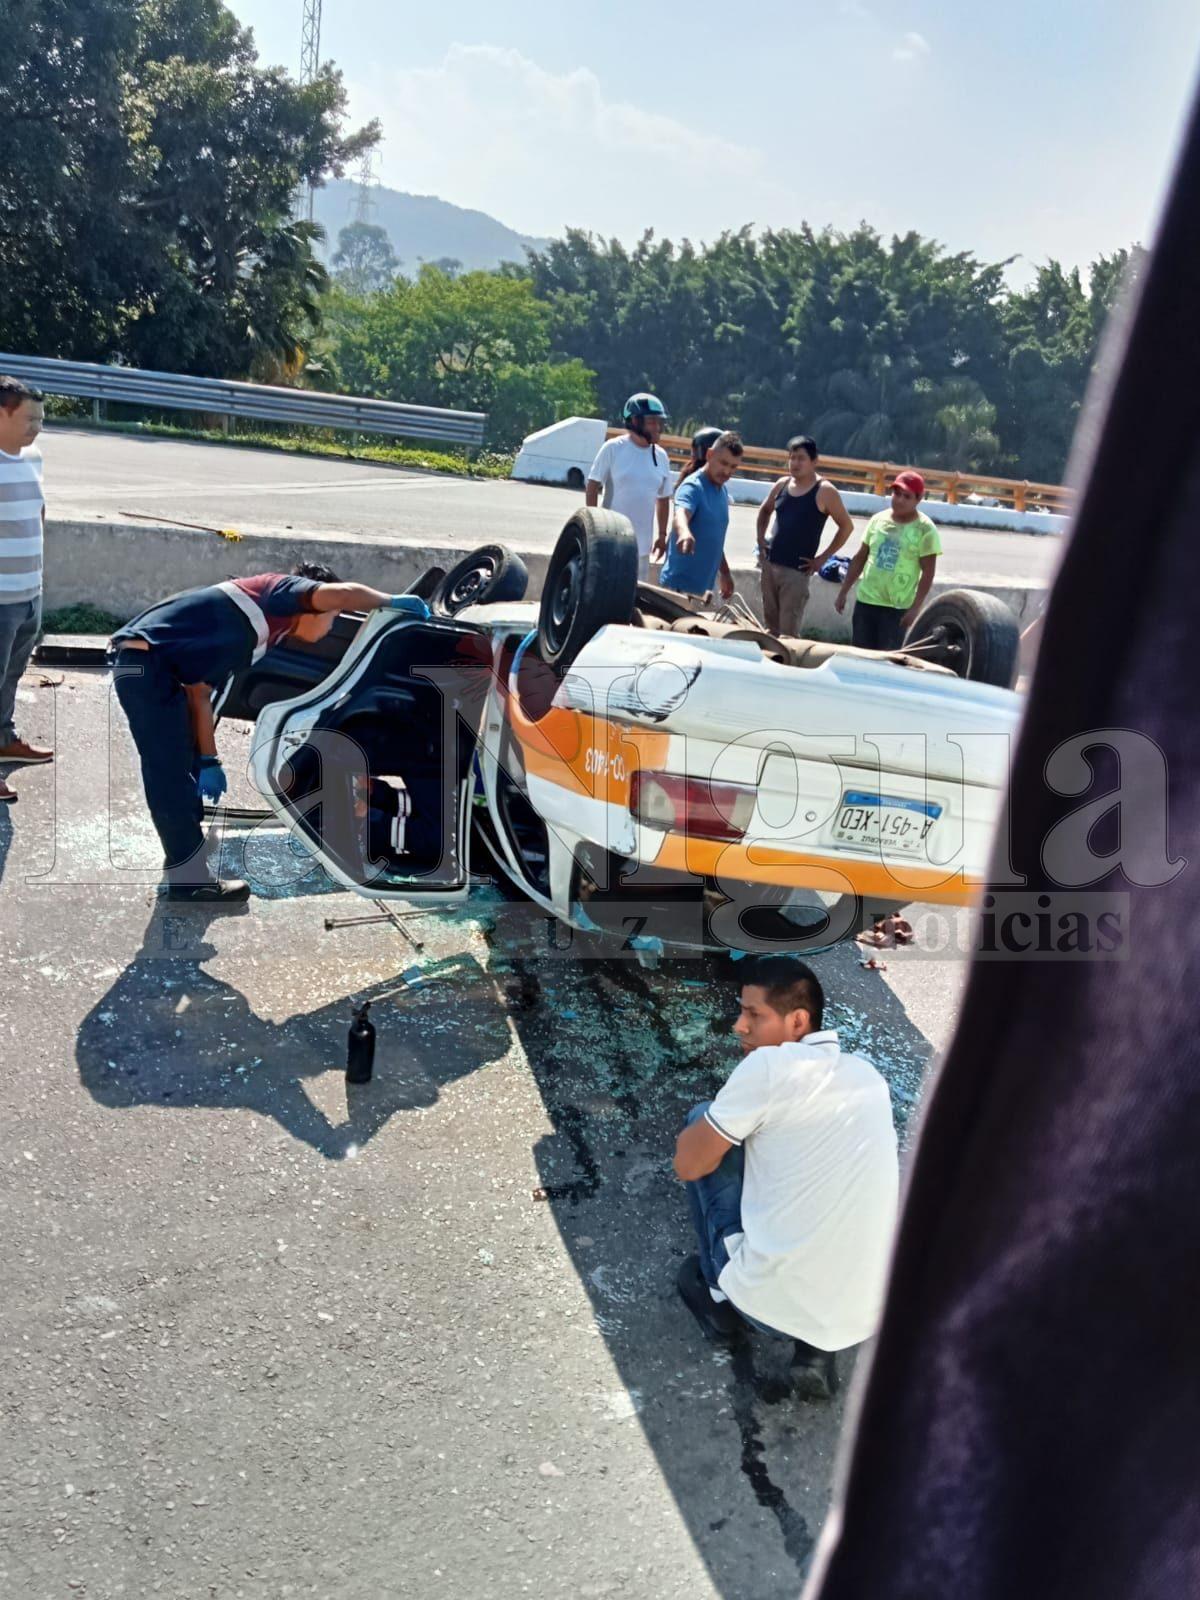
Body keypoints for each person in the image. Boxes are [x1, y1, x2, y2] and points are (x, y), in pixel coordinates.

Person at [107, 564, 429, 902]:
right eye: (333, 616)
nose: (332, 626)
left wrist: (208, 759)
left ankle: (185, 856)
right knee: (169, 776)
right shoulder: (278, 592)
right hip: (147, 666)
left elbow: (199, 694)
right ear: (315, 606)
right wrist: (391, 601)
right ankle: (189, 881)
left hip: (156, 670)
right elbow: (345, 594)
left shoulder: (264, 632)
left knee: (180, 770)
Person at [673, 956, 899, 1399]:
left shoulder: (768, 1067)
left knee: (704, 1121)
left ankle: (720, 1302)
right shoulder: (868, 1077)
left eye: (753, 1015)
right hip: (865, 1312)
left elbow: (688, 1165)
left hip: (766, 1307)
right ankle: (816, 1353)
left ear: (797, 1021)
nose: (739, 1026)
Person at [0, 377, 50, 804]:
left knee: (11, 676)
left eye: (41, 419)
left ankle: (4, 739)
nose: (37, 427)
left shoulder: (33, 457)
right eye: (30, 419)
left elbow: (38, 512)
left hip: (29, 592)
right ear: (3, 413)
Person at [756, 435, 854, 637]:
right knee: (770, 630)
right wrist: (760, 539)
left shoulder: (824, 491)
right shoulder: (782, 484)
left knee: (788, 634)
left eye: (801, 458)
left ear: (814, 461)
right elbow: (764, 511)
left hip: (796, 573)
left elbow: (846, 527)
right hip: (770, 566)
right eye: (792, 458)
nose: (795, 463)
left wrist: (822, 558)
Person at [835, 470, 941, 651]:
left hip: (896, 609)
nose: (899, 500)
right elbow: (860, 557)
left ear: (918, 499)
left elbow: (928, 573)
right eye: (896, 494)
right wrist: (843, 591)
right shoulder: (877, 520)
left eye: (906, 496)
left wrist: (915, 608)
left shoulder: (925, 530)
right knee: (860, 655)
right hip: (866, 602)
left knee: (886, 659)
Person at [585, 392, 674, 582]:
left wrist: (662, 535)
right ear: (634, 421)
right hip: (610, 541)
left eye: (660, 422)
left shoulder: (661, 456)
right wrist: (592, 528)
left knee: (634, 594)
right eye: (652, 422)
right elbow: (593, 485)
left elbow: (663, 499)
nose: (658, 427)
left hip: (642, 548)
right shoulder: (613, 448)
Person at [659, 430, 742, 600]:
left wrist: (725, 573)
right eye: (723, 463)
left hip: (703, 589)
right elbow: (681, 513)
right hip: (678, 589)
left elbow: (714, 538)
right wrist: (684, 532)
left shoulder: (722, 491)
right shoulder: (693, 486)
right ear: (709, 455)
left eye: (733, 467)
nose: (727, 471)